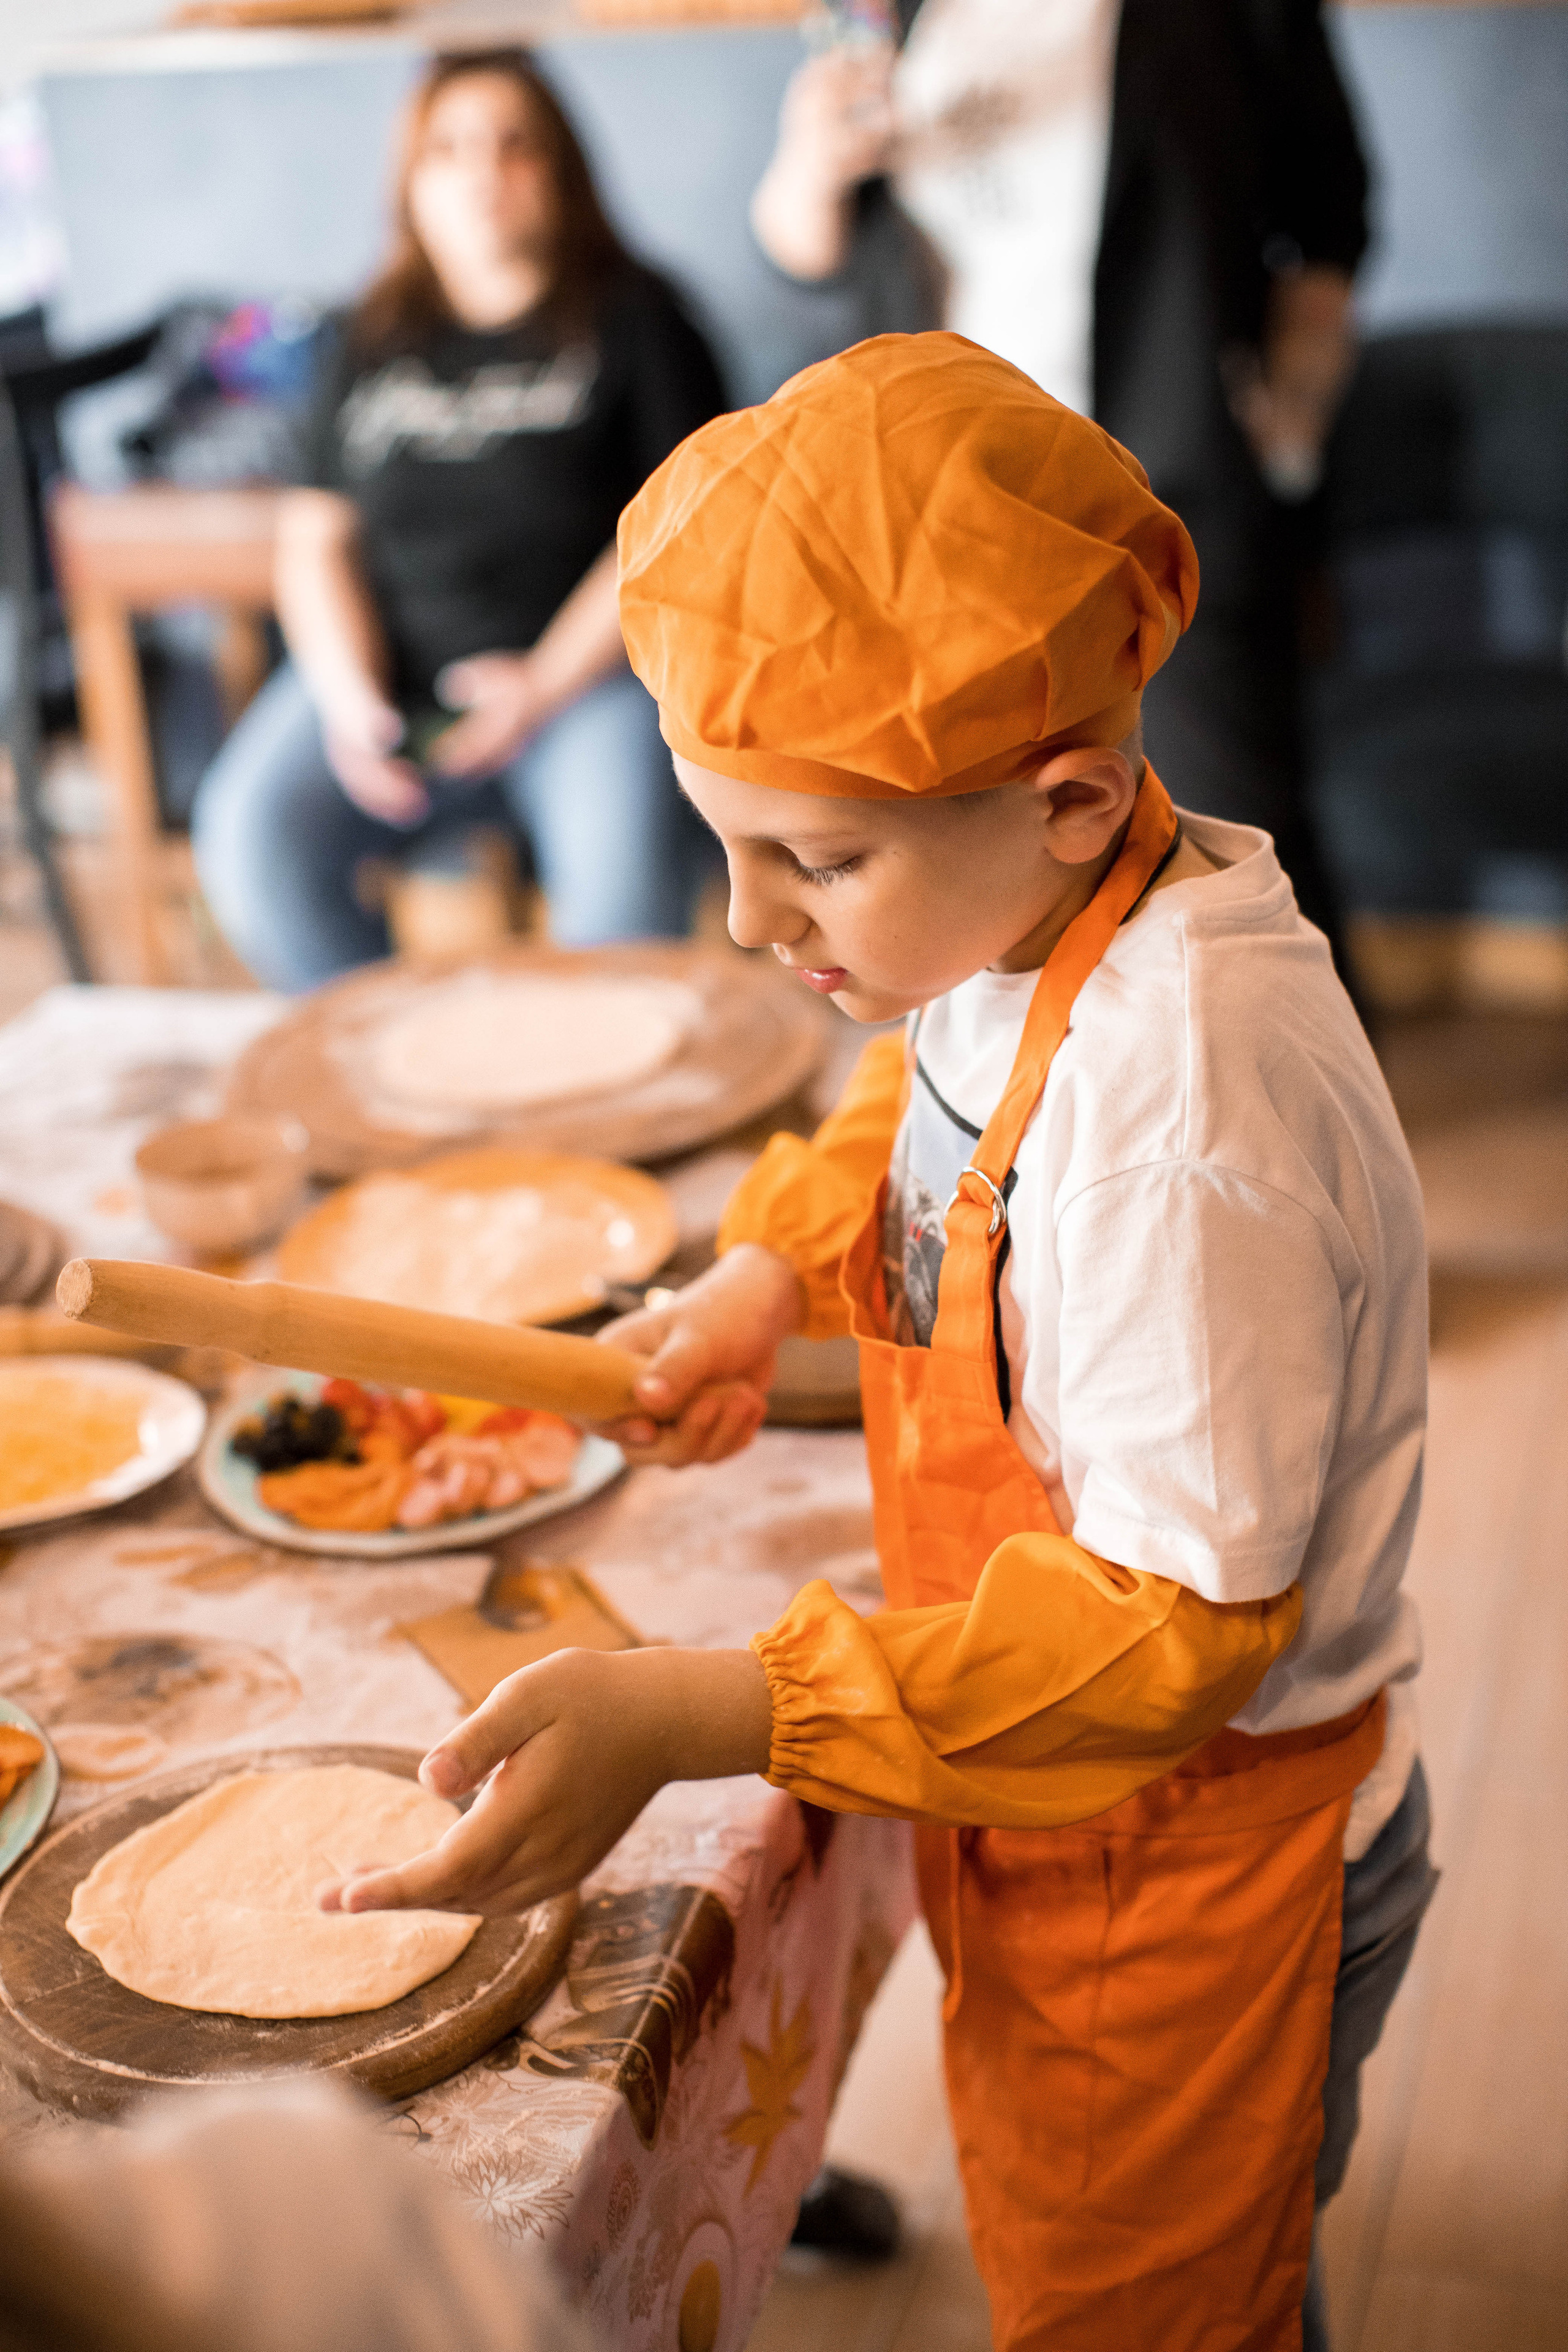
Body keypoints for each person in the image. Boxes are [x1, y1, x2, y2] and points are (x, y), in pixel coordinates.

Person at [317, 336, 1436, 2351]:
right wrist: (764, 1272)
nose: (750, 920)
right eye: (723, 838)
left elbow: (1176, 1636)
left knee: (1148, 2310)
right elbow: (922, 1103)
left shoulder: (1182, 1123)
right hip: (1057, 1791)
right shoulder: (1031, 911)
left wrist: (716, 1711)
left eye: (812, 861)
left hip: (1194, 1853)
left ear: (1074, 798)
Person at [748, 1, 1369, 975]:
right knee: (955, 834)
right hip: (925, 500)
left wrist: (1280, 426)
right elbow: (808, 249)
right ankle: (1024, 1101)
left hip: (1160, 488)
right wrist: (809, 160)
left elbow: (1331, 215)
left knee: (1230, 836)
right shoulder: (885, 9)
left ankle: (1292, 1087)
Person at [193, 49, 726, 990]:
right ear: (412, 182)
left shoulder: (645, 321)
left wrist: (542, 686)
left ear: (561, 170)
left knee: (621, 923)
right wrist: (351, 696)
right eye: (449, 148)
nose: (483, 172)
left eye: (514, 144)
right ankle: (392, 1081)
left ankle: (605, 1122)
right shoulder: (370, 332)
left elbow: (676, 536)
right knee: (252, 844)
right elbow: (314, 542)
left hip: (586, 684)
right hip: (389, 681)